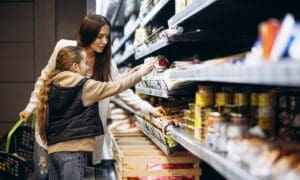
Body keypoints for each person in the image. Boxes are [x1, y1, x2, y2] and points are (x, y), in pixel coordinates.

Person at [19, 14, 166, 179]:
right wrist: (30, 107)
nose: (104, 41)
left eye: (107, 37)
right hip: (51, 130)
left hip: (81, 136)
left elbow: (122, 91)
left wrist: (149, 109)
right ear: (88, 34)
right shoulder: (64, 48)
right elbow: (45, 78)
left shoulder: (107, 64)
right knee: (44, 175)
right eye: (99, 36)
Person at [37, 45, 154, 179]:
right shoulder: (83, 86)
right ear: (75, 67)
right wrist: (141, 73)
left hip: (53, 152)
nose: (88, 67)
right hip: (72, 154)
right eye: (85, 63)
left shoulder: (51, 84)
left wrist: (131, 74)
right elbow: (116, 86)